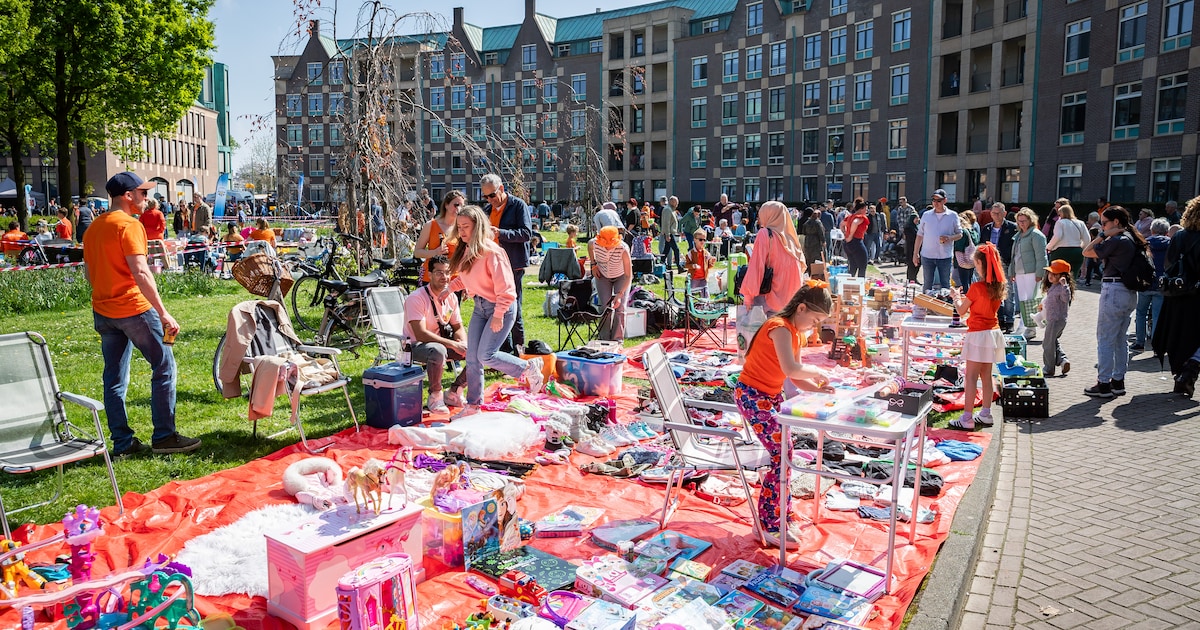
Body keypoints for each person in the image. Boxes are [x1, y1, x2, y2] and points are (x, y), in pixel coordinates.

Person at [83, 171, 200, 456]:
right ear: (128, 196)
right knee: (164, 366)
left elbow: (89, 273)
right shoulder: (129, 225)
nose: (147, 198)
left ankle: (123, 443)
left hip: (104, 311)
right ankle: (164, 436)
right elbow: (141, 272)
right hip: (133, 309)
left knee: (114, 378)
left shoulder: (93, 227)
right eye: (143, 193)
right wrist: (163, 312)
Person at [735, 281, 833, 548]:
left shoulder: (796, 334)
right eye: (814, 320)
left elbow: (795, 378)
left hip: (768, 396)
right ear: (800, 308)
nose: (814, 327)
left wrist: (820, 390)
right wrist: (817, 372)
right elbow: (791, 369)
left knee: (785, 454)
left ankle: (781, 513)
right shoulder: (779, 328)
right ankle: (768, 522)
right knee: (783, 455)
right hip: (752, 395)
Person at [446, 205, 543, 418]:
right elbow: (468, 277)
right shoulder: (467, 249)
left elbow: (507, 290)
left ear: (478, 226)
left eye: (466, 226)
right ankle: (473, 406)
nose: (461, 231)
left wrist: (498, 315)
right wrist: (449, 289)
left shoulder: (493, 252)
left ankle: (527, 368)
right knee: (472, 359)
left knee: (486, 355)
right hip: (480, 307)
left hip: (501, 308)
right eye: (459, 227)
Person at [1083, 206, 1143, 398]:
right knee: (1120, 339)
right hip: (1129, 292)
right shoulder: (1132, 238)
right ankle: (1118, 381)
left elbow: (1087, 251)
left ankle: (1103, 383)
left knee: (1105, 339)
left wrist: (1103, 235)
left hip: (1114, 289)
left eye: (1104, 223)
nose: (1102, 226)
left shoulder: (1117, 240)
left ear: (1116, 222)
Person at [948, 244, 1007, 430]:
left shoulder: (976, 287)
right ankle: (986, 413)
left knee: (971, 376)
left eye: (976, 263)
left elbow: (961, 310)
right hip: (993, 333)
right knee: (986, 376)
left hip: (978, 334)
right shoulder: (998, 286)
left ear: (981, 264)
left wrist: (956, 297)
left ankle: (967, 418)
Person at [406, 255, 468, 413]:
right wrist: (453, 344)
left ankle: (454, 391)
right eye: (439, 272)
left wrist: (463, 343)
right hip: (414, 346)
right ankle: (435, 396)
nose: (445, 277)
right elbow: (420, 334)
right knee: (438, 350)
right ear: (429, 274)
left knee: (477, 350)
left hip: (442, 344)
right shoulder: (416, 298)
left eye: (447, 272)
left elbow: (458, 327)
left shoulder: (451, 296)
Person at [479, 173, 533, 355]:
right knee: (497, 309)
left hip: (513, 265)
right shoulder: (487, 210)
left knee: (513, 309)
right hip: (492, 267)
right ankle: (503, 351)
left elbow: (526, 233)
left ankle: (519, 352)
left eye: (492, 195)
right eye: (485, 196)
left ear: (501, 189)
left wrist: (500, 233)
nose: (489, 200)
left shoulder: (518, 205)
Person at [1153, 196, 1200, 397]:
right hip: (1197, 293)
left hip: (1176, 292)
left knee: (1178, 333)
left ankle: (1181, 376)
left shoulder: (1179, 236)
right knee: (1194, 335)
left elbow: (1169, 264)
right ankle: (1190, 370)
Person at [744, 201, 807, 314]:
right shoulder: (791, 238)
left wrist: (748, 296)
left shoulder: (765, 234)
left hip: (770, 299)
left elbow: (756, 267)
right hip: (791, 302)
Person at [1008, 208, 1048, 340]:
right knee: (1023, 301)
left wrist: (1040, 273)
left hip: (1032, 272)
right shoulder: (1019, 235)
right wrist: (1012, 271)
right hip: (1020, 272)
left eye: (1024, 221)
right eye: (1019, 221)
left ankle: (1030, 329)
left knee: (1031, 300)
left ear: (1031, 220)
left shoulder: (1036, 235)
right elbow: (1014, 256)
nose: (1021, 223)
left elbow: (1041, 256)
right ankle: (1023, 326)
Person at [588, 226, 633, 341]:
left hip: (621, 276)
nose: (607, 247)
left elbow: (628, 275)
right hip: (602, 275)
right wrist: (593, 265)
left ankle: (617, 339)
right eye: (605, 244)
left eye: (610, 245)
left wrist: (620, 294)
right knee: (604, 306)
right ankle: (603, 338)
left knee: (620, 307)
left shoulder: (623, 249)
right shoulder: (594, 243)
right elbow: (589, 245)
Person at [1132, 218, 1171, 351]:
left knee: (1141, 313)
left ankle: (1139, 342)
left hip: (1146, 282)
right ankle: (1156, 346)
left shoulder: (1144, 243)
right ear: (1166, 231)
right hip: (1162, 283)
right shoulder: (1170, 244)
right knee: (1157, 315)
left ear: (1152, 230)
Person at [913, 189, 962, 292]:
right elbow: (920, 234)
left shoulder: (953, 215)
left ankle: (945, 301)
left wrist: (949, 238)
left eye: (938, 201)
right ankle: (926, 302)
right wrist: (915, 253)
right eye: (934, 200)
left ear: (945, 200)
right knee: (927, 284)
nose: (936, 203)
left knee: (945, 284)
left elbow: (960, 234)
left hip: (945, 256)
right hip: (927, 255)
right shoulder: (926, 215)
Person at [983, 203, 1019, 330]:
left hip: (1006, 264)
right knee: (993, 292)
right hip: (990, 265)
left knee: (1008, 293)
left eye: (998, 213)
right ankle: (999, 319)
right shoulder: (987, 228)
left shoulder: (1013, 228)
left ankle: (1009, 321)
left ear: (1004, 213)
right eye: (993, 213)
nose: (996, 216)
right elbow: (982, 245)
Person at [415, 190, 464, 283]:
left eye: (462, 206)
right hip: (432, 278)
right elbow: (417, 252)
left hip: (454, 279)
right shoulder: (431, 225)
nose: (459, 209)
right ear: (446, 205)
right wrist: (435, 252)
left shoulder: (462, 227)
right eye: (456, 205)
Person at [1038, 259, 1075, 377]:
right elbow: (1050, 301)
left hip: (1056, 320)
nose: (1051, 276)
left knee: (1047, 344)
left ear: (1063, 276)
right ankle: (1063, 361)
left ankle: (1049, 368)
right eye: (1050, 273)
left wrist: (1065, 285)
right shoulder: (1053, 286)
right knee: (1053, 341)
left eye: (1055, 274)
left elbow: (1066, 298)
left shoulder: (1061, 287)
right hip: (1053, 319)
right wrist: (1042, 306)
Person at [1046, 204, 1088, 277]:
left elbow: (1057, 236)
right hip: (1077, 251)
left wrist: (1049, 246)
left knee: (1055, 276)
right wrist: (1081, 248)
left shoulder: (1060, 222)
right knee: (1072, 277)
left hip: (1061, 252)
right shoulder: (1081, 223)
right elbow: (1087, 239)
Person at [841, 199, 870, 277]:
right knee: (863, 265)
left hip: (848, 243)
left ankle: (849, 282)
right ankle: (860, 282)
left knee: (853, 266)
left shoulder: (850, 217)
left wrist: (845, 234)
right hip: (856, 241)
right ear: (862, 209)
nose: (866, 211)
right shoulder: (861, 217)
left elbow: (842, 224)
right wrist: (850, 235)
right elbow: (855, 222)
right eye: (866, 209)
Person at [953, 210, 980, 288]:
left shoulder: (963, 232)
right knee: (969, 280)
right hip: (971, 260)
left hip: (963, 260)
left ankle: (965, 294)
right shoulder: (973, 231)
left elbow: (959, 247)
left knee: (961, 281)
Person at [685, 229, 712, 295]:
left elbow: (708, 266)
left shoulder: (706, 253)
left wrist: (712, 262)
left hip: (703, 278)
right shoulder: (691, 253)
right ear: (695, 240)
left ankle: (705, 302)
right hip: (693, 278)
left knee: (705, 294)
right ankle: (687, 301)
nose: (702, 241)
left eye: (704, 240)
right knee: (690, 294)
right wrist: (693, 266)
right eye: (700, 239)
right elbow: (686, 265)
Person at [659, 196, 682, 272]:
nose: (677, 204)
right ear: (671, 201)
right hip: (669, 233)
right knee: (676, 249)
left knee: (666, 250)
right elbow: (666, 223)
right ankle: (679, 266)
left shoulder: (671, 210)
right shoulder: (667, 210)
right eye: (676, 202)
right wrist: (667, 234)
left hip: (670, 232)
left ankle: (661, 263)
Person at [903, 212, 921, 282]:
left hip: (918, 248)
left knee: (918, 264)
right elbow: (911, 238)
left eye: (918, 218)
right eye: (916, 218)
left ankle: (914, 278)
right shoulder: (908, 228)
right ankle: (910, 279)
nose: (917, 220)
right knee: (911, 264)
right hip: (911, 248)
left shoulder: (917, 227)